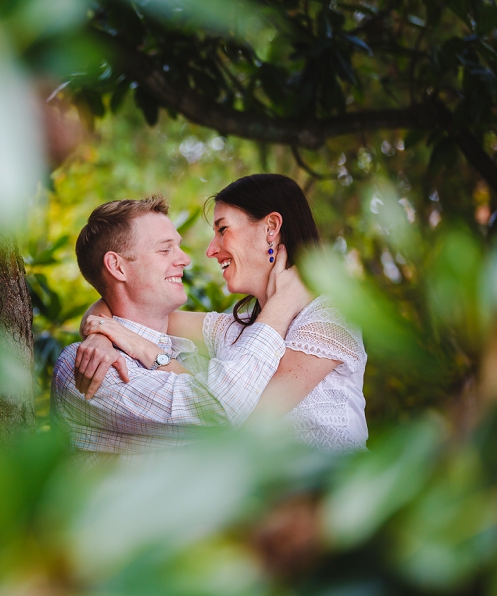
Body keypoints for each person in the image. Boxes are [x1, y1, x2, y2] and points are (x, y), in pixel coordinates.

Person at [76, 174, 368, 451]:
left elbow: (242, 425)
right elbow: (134, 311)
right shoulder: (234, 330)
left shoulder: (330, 318)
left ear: (271, 227)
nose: (210, 250)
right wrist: (99, 338)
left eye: (222, 229)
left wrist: (145, 349)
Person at [51, 194, 313, 457]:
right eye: (165, 250)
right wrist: (284, 302)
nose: (185, 259)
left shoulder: (189, 351)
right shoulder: (89, 367)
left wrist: (101, 329)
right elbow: (219, 410)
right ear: (117, 267)